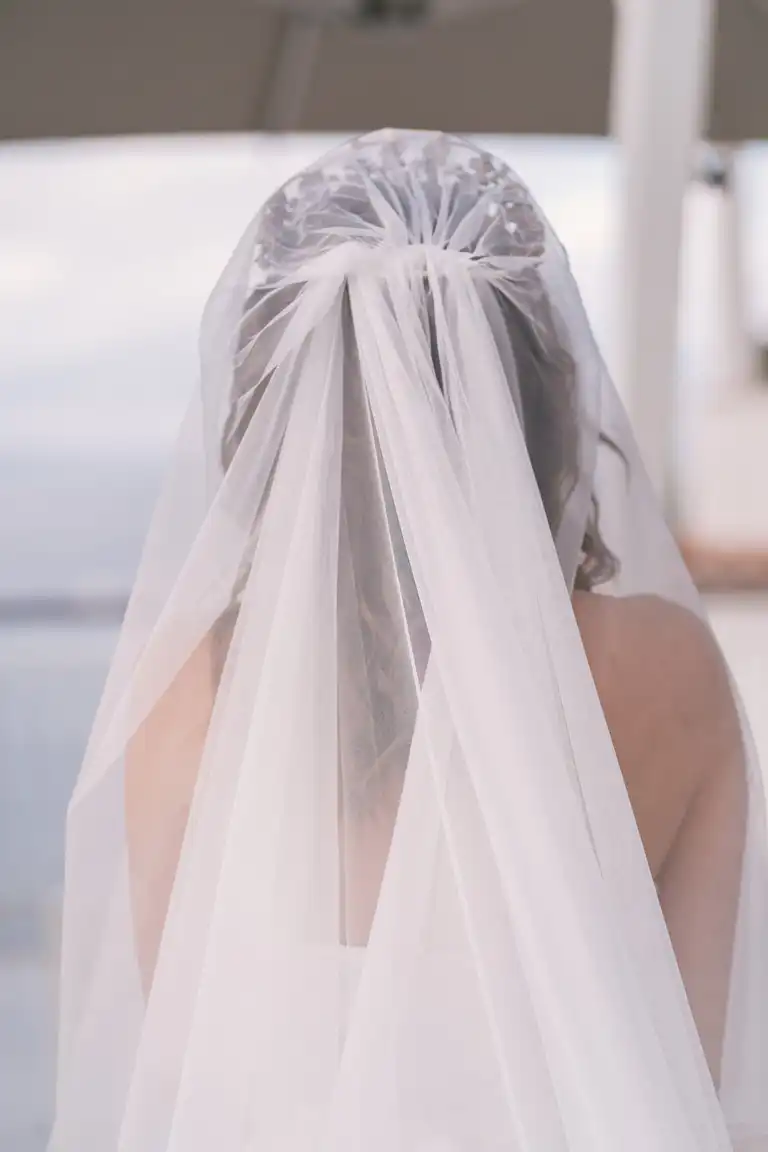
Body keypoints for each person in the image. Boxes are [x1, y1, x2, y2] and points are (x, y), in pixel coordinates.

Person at [50, 130, 768, 1152]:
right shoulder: (666, 676)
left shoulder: (182, 698)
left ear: (269, 394)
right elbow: (704, 1072)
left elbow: (183, 1077)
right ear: (543, 382)